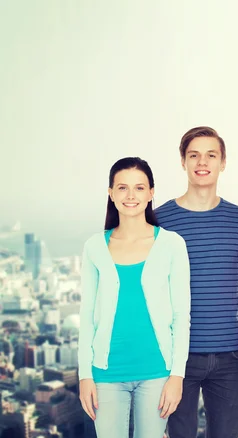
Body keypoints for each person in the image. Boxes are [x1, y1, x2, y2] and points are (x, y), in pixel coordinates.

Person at [78, 157, 191, 438]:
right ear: (111, 193)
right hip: (105, 373)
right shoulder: (94, 247)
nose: (131, 196)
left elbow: (181, 316)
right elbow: (86, 316)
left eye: (139, 188)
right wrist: (84, 375)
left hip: (157, 372)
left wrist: (177, 376)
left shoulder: (172, 244)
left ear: (152, 193)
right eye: (123, 188)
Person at [155, 127, 238, 438]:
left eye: (211, 155)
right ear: (182, 162)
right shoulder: (160, 221)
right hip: (176, 358)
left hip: (230, 355)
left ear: (223, 162)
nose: (202, 161)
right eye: (194, 155)